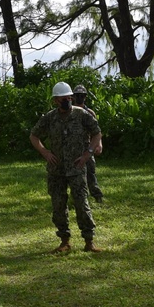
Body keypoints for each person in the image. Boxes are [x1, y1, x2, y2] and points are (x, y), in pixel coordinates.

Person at [30, 82, 103, 253]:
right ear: (56, 100)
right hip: (56, 170)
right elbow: (34, 135)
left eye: (69, 98)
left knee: (82, 204)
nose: (68, 100)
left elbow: (97, 133)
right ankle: (64, 241)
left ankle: (89, 241)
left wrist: (88, 154)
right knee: (58, 205)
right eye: (64, 98)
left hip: (76, 168)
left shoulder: (82, 114)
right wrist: (45, 152)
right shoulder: (49, 117)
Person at [72, 84, 104, 203]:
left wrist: (99, 144)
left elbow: (96, 132)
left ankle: (97, 196)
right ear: (73, 96)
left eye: (82, 95)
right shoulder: (69, 112)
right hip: (73, 148)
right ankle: (79, 198)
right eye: (77, 95)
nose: (80, 97)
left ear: (85, 97)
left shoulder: (90, 112)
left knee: (91, 173)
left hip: (87, 147)